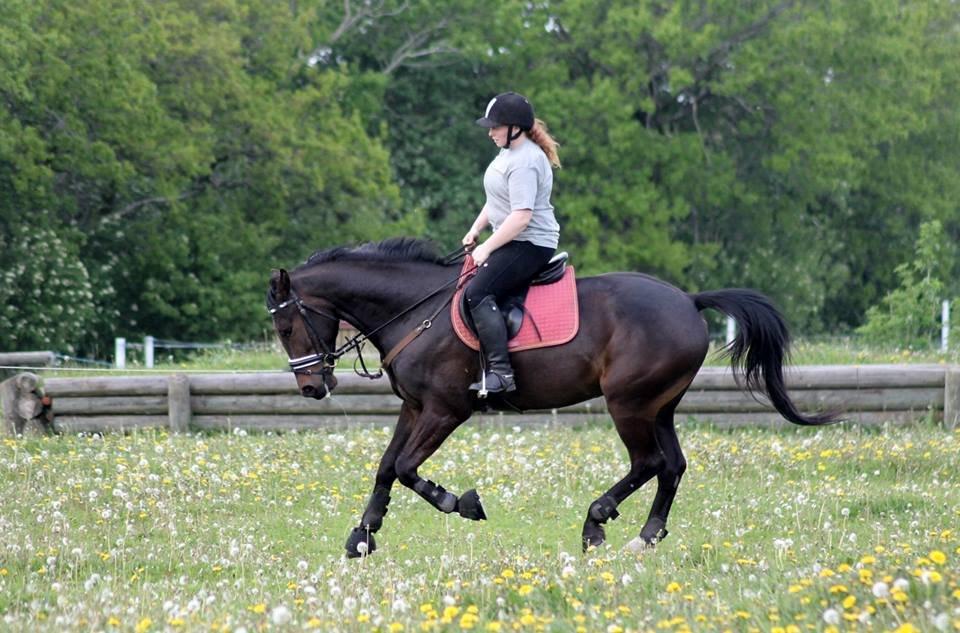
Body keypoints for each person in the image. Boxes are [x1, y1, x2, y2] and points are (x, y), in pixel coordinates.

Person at [462, 91, 562, 394]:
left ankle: (502, 374)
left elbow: (521, 217)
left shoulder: (526, 161)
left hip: (531, 243)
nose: (490, 132)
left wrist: (487, 246)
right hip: (513, 239)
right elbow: (497, 199)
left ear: (515, 128)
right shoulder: (508, 154)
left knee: (477, 293)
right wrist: (476, 229)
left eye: (495, 127)